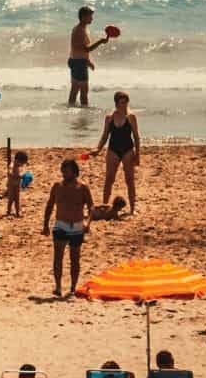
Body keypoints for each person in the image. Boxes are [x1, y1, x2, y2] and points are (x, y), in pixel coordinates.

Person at [43, 158, 94, 297]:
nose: (64, 172)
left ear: (74, 171)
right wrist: (45, 224)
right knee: (58, 257)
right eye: (62, 169)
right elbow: (49, 205)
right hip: (61, 225)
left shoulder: (82, 187)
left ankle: (73, 287)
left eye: (66, 169)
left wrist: (87, 223)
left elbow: (91, 206)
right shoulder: (57, 186)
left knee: (75, 258)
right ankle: (58, 287)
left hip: (77, 226)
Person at [95, 91, 141, 212]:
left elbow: (136, 137)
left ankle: (132, 209)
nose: (124, 105)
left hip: (128, 150)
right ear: (116, 103)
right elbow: (105, 136)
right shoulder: (109, 118)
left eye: (126, 102)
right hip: (113, 150)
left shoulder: (131, 117)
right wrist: (98, 149)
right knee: (109, 179)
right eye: (122, 103)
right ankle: (104, 206)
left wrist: (138, 155)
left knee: (129, 180)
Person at [67, 6, 110, 107]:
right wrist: (100, 42)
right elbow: (86, 49)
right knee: (84, 91)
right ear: (83, 17)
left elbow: (78, 49)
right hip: (78, 63)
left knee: (75, 88)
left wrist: (88, 61)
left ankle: (70, 108)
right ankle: (84, 113)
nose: (92, 18)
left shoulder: (82, 28)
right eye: (90, 16)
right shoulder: (80, 30)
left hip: (76, 60)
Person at [7, 150, 29, 217]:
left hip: (17, 185)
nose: (22, 165)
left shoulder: (18, 166)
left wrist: (22, 175)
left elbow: (19, 173)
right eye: (21, 163)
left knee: (17, 199)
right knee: (11, 199)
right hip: (11, 185)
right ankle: (8, 211)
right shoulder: (12, 165)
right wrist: (18, 176)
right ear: (17, 160)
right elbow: (10, 172)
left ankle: (17, 212)